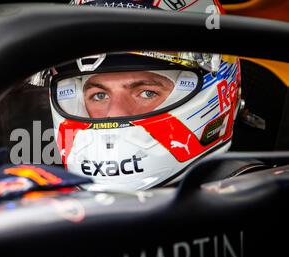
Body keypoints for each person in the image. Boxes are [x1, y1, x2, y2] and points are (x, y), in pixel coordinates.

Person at [39, 0, 252, 191]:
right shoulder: (40, 198)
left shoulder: (261, 200)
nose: (114, 114)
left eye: (147, 93)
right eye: (99, 95)